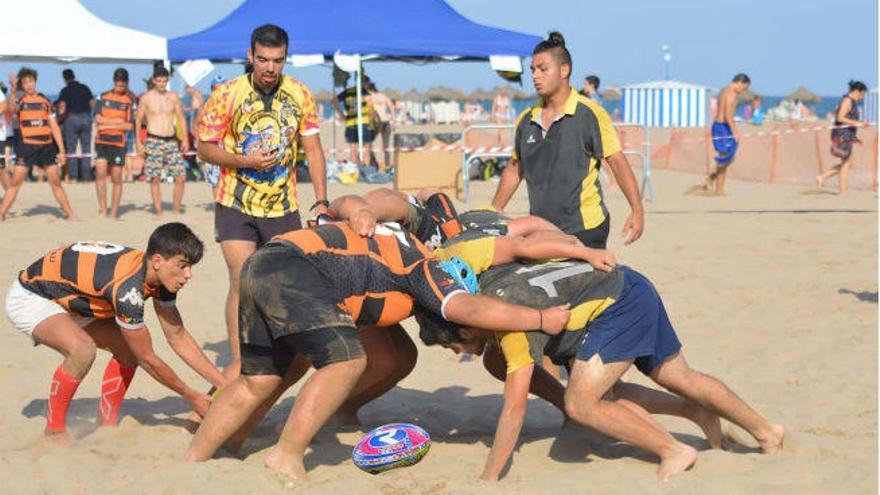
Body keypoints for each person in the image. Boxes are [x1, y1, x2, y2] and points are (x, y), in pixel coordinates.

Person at [184, 220, 572, 480]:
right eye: (464, 342)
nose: (459, 350)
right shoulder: (429, 270)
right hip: (296, 268)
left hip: (264, 263)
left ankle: (196, 460)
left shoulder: (401, 260)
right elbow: (467, 307)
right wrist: (540, 320)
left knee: (260, 379)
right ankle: (285, 455)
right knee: (348, 361)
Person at [419, 258, 785, 481]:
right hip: (628, 284)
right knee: (675, 378)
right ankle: (765, 430)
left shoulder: (507, 329)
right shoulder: (489, 283)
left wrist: (488, 479)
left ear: (465, 327)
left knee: (582, 403)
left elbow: (514, 408)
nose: (456, 352)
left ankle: (673, 450)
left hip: (616, 305)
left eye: (454, 345)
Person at [3, 223, 226, 443]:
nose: (188, 275)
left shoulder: (159, 277)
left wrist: (222, 383)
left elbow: (177, 335)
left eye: (190, 267)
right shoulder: (128, 290)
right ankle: (54, 430)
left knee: (127, 350)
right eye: (182, 265)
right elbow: (147, 359)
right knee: (82, 350)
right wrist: (190, 395)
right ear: (157, 261)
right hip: (32, 296)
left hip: (76, 296)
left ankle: (106, 421)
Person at [197, 24, 329, 381]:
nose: (270, 68)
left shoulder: (300, 94)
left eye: (278, 60)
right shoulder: (227, 94)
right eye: (263, 59)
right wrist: (246, 162)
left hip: (283, 207)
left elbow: (313, 150)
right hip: (234, 202)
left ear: (286, 58)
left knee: (282, 283)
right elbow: (204, 148)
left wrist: (321, 201)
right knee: (243, 281)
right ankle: (241, 360)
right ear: (250, 55)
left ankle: (279, 351)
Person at [492, 32, 644, 249]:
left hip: (586, 228)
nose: (535, 76)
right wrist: (494, 210)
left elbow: (618, 163)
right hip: (541, 228)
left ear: (564, 70)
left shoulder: (590, 114)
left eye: (543, 69)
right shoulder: (526, 120)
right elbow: (515, 169)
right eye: (533, 70)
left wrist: (636, 210)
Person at [0, 67, 76, 221]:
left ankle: (70, 214)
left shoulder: (45, 102)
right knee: (16, 182)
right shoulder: (20, 101)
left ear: (35, 82)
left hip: (47, 147)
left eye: (31, 81)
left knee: (55, 182)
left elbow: (54, 126)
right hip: (27, 147)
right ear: (22, 84)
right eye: (25, 82)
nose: (28, 85)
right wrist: (14, 88)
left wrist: (61, 150)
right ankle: (1, 213)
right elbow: (10, 108)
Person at [135, 66, 190, 217]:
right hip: (153, 139)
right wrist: (138, 142)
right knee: (154, 177)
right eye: (158, 81)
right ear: (153, 80)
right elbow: (138, 120)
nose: (161, 84)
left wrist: (185, 138)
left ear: (168, 80)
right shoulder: (146, 97)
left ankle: (176, 209)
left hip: (171, 140)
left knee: (181, 176)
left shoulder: (173, 96)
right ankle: (159, 210)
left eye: (164, 81)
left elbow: (181, 118)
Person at [94, 68, 136, 219]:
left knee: (117, 177)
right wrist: (118, 121)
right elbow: (98, 119)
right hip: (102, 141)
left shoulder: (130, 100)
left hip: (118, 142)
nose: (120, 89)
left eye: (123, 86)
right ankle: (103, 209)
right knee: (100, 172)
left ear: (127, 84)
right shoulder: (102, 96)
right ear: (114, 82)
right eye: (118, 86)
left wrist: (108, 125)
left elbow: (130, 126)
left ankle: (113, 213)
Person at [815, 80, 867, 196]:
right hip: (841, 134)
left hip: (846, 134)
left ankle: (823, 177)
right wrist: (857, 123)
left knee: (847, 164)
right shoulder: (847, 101)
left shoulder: (851, 101)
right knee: (846, 163)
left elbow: (848, 121)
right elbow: (840, 117)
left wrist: (856, 137)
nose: (862, 98)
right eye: (862, 95)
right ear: (858, 91)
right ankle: (841, 191)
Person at [706, 73, 750, 196]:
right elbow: (727, 115)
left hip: (719, 126)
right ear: (740, 82)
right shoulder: (731, 94)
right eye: (744, 88)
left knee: (727, 157)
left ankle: (718, 189)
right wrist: (735, 131)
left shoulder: (723, 90)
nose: (744, 91)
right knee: (726, 158)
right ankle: (712, 179)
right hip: (722, 127)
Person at [57, 69, 95, 183]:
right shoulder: (85, 87)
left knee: (72, 150)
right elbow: (93, 104)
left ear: (65, 78)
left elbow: (62, 108)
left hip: (72, 119)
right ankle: (86, 177)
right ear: (74, 76)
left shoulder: (65, 90)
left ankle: (73, 177)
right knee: (86, 150)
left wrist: (59, 119)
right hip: (86, 118)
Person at [333, 74, 375, 165]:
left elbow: (334, 101)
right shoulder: (365, 92)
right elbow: (371, 107)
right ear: (365, 83)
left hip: (351, 123)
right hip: (364, 122)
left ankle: (354, 169)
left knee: (353, 149)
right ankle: (366, 169)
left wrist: (341, 115)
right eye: (368, 83)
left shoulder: (347, 92)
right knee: (367, 148)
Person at [366, 79, 395, 168]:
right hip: (387, 121)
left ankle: (371, 163)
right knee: (386, 146)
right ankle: (387, 165)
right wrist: (393, 120)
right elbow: (391, 107)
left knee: (368, 143)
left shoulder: (369, 97)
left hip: (377, 123)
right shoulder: (383, 96)